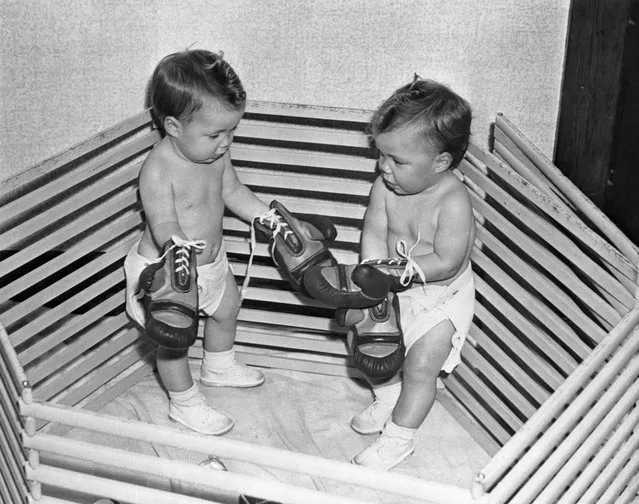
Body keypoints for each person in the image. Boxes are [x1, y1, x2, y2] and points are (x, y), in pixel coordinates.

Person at [123, 49, 335, 436]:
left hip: (212, 262)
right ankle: (183, 402)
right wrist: (180, 247)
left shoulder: (216, 154)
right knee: (174, 340)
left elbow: (234, 191)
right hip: (169, 272)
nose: (225, 142)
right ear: (172, 126)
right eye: (215, 134)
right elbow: (163, 221)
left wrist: (267, 219)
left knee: (227, 308)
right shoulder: (158, 168)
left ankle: (218, 367)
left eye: (231, 131)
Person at [306, 76, 475, 470]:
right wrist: (370, 274)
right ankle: (386, 396)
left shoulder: (453, 200)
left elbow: (448, 260)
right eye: (381, 156)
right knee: (363, 340)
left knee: (420, 367)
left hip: (440, 298)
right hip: (393, 285)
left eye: (398, 161)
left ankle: (400, 440)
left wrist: (401, 272)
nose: (384, 168)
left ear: (441, 163)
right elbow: (374, 230)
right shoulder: (385, 187)